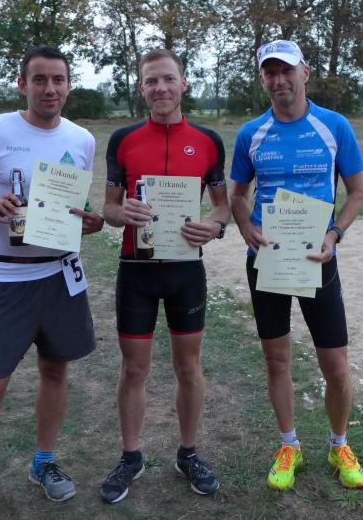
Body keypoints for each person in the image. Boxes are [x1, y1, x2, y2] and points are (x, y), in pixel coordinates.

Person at [0, 45, 104, 519]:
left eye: (58, 79)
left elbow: (77, 208)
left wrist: (92, 222)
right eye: (40, 79)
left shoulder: (82, 140)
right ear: (23, 85)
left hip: (60, 276)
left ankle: (44, 462)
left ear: (68, 85)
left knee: (55, 372)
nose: (49, 89)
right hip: (8, 278)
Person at [229, 40, 363, 491]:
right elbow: (237, 195)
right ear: (262, 79)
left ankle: (338, 444)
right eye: (269, 72)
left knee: (337, 366)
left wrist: (334, 234)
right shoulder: (251, 133)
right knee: (277, 360)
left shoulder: (334, 126)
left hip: (318, 259)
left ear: (304, 73)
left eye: (286, 70)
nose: (279, 80)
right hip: (266, 261)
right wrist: (246, 226)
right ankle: (289, 445)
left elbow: (357, 192)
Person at [99, 49, 231, 504]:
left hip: (185, 270)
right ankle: (131, 456)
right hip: (136, 271)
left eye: (168, 79)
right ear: (141, 88)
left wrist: (214, 226)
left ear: (183, 83)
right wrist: (122, 213)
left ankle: (188, 453)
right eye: (151, 81)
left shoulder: (209, 141)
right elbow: (109, 207)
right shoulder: (123, 139)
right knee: (134, 368)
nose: (160, 88)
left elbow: (221, 206)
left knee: (188, 367)